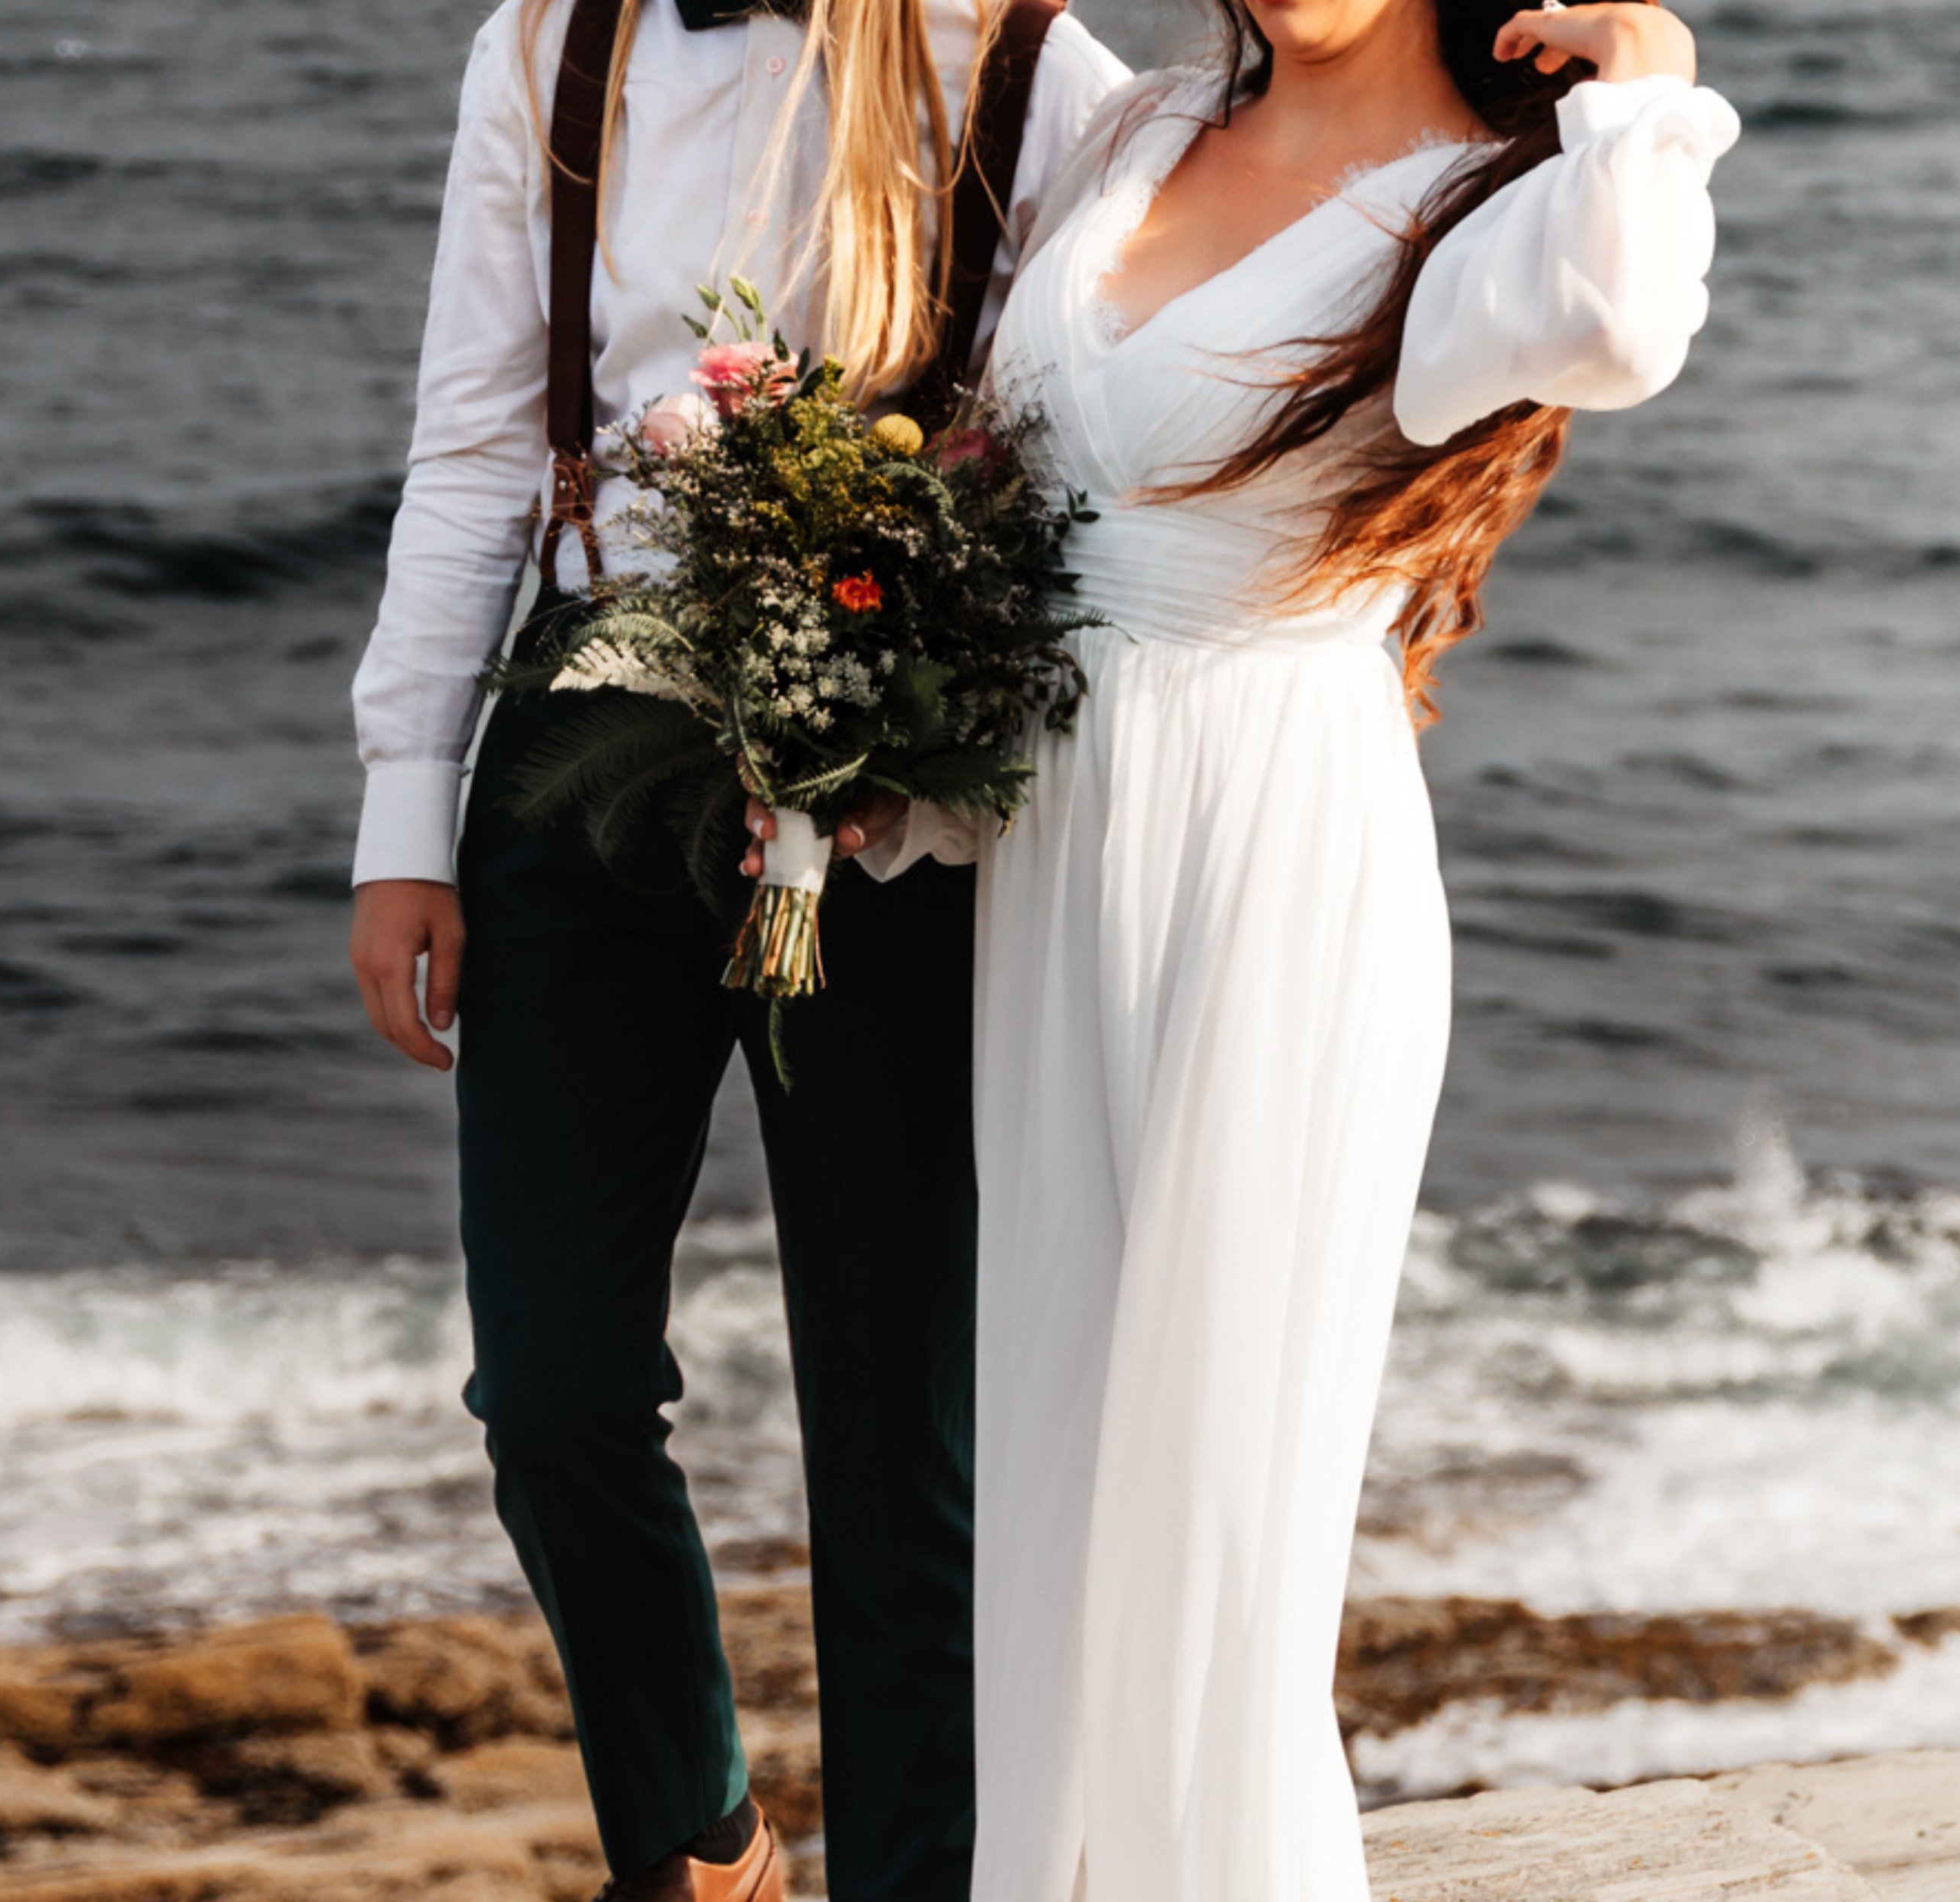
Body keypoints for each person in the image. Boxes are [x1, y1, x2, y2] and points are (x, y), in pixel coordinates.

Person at [839, 1, 1736, 1894]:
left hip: (1276, 858)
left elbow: (1627, 323)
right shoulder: (1141, 127)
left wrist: (1645, 73)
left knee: (1225, 1516)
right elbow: (1011, 479)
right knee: (1061, 1466)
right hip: (1055, 845)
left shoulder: (1477, 205)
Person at [339, 2, 1128, 1896]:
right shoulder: (554, 44)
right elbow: (469, 446)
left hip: (892, 790)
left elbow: (1122, 433)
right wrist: (400, 806)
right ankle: (697, 1845)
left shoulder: (1023, 64)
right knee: (549, 1389)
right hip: (578, 743)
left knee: (902, 1439)